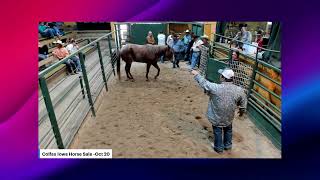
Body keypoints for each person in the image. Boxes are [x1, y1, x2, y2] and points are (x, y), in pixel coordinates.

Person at [191, 68, 247, 154]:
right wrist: (242, 110)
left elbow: (204, 83)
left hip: (216, 116)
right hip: (229, 116)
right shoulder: (239, 90)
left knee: (217, 130)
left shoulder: (216, 88)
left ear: (223, 78)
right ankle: (228, 146)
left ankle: (218, 148)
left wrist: (196, 74)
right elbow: (243, 102)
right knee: (228, 129)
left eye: (221, 75)